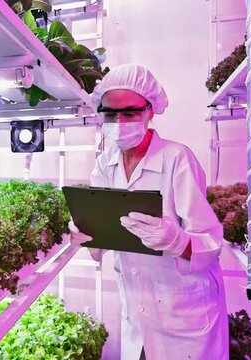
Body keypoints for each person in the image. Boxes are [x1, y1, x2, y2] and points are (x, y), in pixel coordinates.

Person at [69, 64, 228, 359]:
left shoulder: (176, 158)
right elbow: (102, 235)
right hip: (137, 310)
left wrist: (178, 242)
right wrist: (85, 232)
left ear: (150, 111)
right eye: (110, 114)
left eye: (129, 113)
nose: (119, 122)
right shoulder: (105, 163)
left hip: (185, 314)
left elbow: (211, 243)